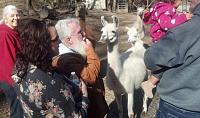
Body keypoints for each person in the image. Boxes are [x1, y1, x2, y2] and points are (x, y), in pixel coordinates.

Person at [12, 18, 89, 117]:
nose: (59, 42)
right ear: (42, 45)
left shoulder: (21, 68)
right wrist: (85, 96)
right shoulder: (50, 82)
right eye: (54, 40)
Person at [143, 0, 200, 117]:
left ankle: (149, 83)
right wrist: (182, 18)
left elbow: (151, 59)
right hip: (160, 37)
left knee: (166, 61)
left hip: (179, 107)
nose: (187, 0)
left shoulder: (190, 27)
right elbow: (166, 24)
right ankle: (149, 83)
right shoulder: (166, 8)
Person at [53, 18, 109, 118]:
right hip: (86, 111)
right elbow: (91, 77)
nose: (84, 34)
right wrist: (90, 50)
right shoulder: (67, 58)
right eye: (80, 32)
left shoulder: (75, 49)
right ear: (69, 39)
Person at [0, 5, 23, 117]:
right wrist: (14, 82)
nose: (16, 18)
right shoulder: (5, 34)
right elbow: (7, 60)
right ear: (5, 18)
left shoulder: (13, 31)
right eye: (12, 16)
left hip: (14, 76)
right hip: (10, 78)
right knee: (18, 109)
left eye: (17, 15)